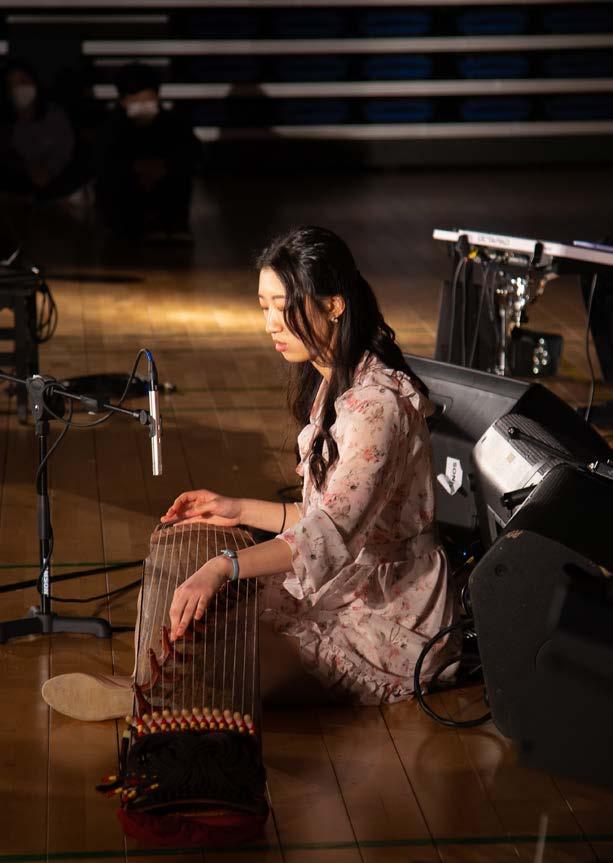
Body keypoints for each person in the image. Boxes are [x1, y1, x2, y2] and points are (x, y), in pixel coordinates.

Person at [42, 226, 457, 719]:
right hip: (347, 579)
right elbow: (324, 514)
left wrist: (224, 564)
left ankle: (148, 692)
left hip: (387, 611)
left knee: (229, 655)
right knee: (206, 618)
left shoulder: (376, 407)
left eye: (283, 306)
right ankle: (150, 687)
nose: (271, 324)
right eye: (264, 307)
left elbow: (331, 532)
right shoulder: (338, 383)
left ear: (334, 306)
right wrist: (236, 508)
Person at [95, 62, 197, 240]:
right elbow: (102, 161)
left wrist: (164, 166)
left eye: (148, 99)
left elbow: (193, 153)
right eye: (135, 100)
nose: (142, 105)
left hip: (165, 193)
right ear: (123, 101)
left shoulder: (173, 123)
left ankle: (171, 223)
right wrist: (134, 167)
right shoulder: (110, 126)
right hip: (126, 199)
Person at [0, 59, 76, 199]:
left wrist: (49, 171)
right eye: (11, 84)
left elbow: (65, 150)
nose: (17, 88)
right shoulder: (5, 124)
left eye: (23, 81)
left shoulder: (55, 116)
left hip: (56, 189)